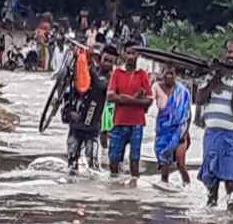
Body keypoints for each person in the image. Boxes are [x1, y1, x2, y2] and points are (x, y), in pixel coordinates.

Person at [195, 39, 233, 210]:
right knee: (211, 183)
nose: (231, 56)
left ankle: (231, 218)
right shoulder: (211, 76)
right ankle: (210, 214)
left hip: (229, 136)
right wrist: (216, 78)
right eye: (229, 52)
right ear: (224, 52)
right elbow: (200, 99)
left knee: (230, 180)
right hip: (211, 134)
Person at [65, 46, 118, 174]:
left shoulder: (111, 79)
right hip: (76, 123)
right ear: (100, 60)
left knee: (93, 168)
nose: (108, 64)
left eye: (111, 61)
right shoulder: (87, 72)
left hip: (93, 128)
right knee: (71, 164)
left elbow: (104, 90)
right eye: (106, 60)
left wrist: (109, 127)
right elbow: (74, 84)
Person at [107, 41, 153, 184]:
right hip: (119, 122)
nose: (131, 56)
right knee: (113, 160)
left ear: (138, 55)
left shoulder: (142, 74)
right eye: (128, 53)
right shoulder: (117, 73)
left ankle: (134, 191)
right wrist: (135, 99)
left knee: (135, 161)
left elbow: (149, 100)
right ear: (123, 54)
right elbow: (110, 96)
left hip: (137, 124)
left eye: (134, 53)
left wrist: (124, 99)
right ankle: (115, 190)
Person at [154, 65, 192, 185]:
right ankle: (164, 186)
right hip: (163, 132)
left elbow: (188, 114)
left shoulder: (183, 92)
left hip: (180, 131)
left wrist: (184, 133)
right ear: (162, 74)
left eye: (172, 73)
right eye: (166, 73)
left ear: (176, 75)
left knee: (181, 164)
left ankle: (188, 187)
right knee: (165, 164)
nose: (169, 76)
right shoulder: (157, 87)